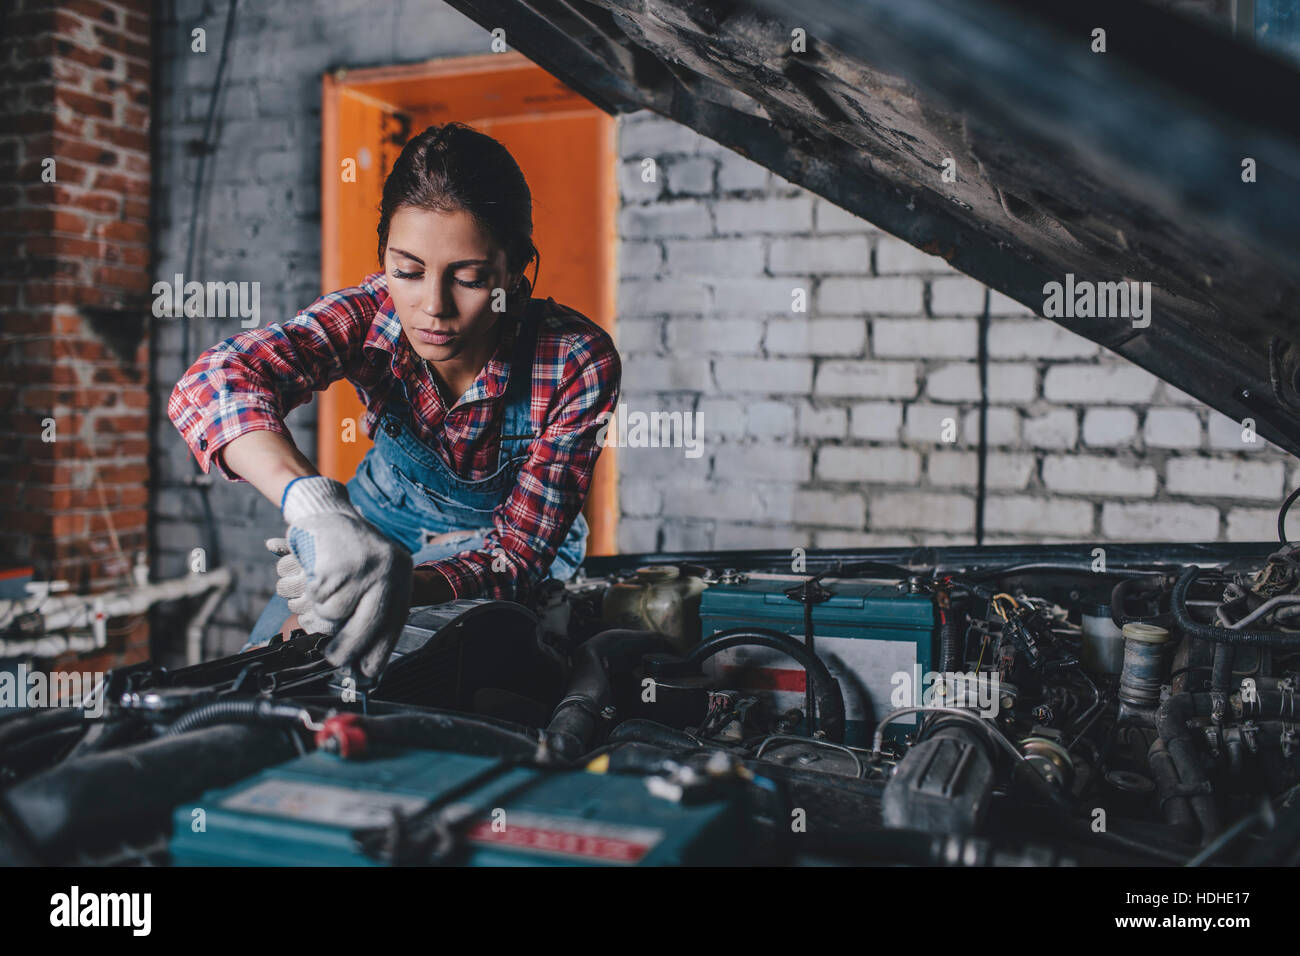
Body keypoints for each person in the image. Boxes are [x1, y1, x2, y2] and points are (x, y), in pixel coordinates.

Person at [168, 122, 621, 678]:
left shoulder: (575, 360)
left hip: (503, 544)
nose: (432, 306)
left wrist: (404, 584)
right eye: (407, 270)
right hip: (380, 519)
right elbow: (215, 381)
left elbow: (518, 555)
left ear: (517, 272)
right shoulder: (368, 314)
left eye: (471, 279)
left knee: (428, 679)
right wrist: (320, 511)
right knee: (271, 666)